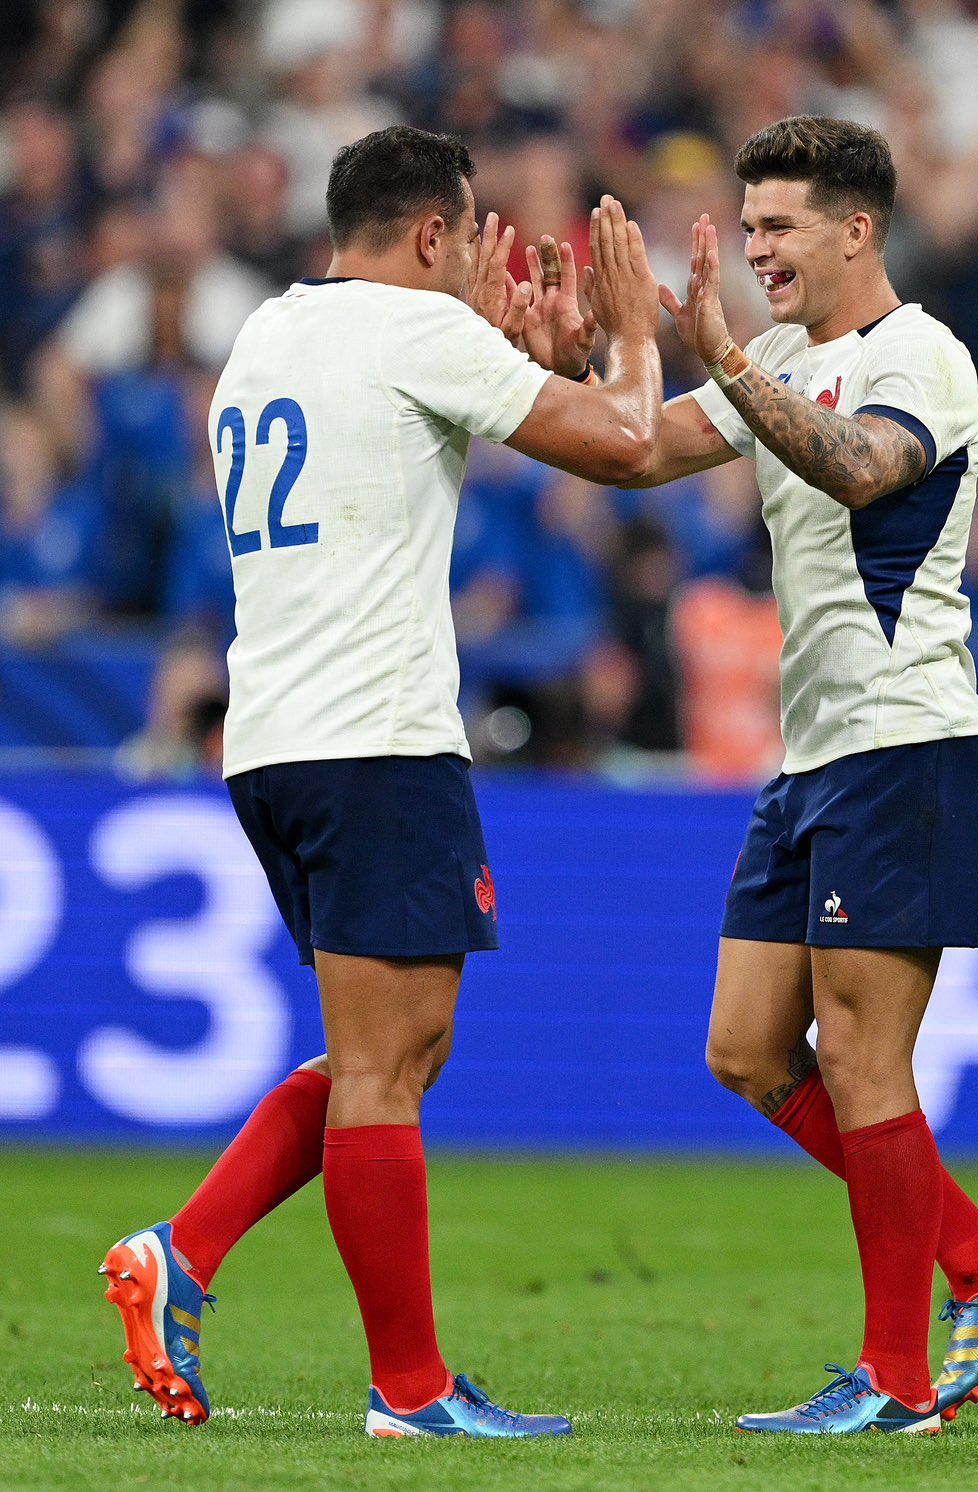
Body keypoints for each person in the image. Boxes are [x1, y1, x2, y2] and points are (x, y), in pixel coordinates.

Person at [100, 124, 668, 1439]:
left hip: (279, 738)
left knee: (396, 1051)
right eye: (470, 241)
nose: (480, 264)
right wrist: (630, 333)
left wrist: (525, 356)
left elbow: (402, 437)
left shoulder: (270, 336)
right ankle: (407, 1390)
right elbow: (630, 446)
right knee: (383, 1070)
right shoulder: (415, 331)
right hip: (377, 739)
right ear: (430, 236)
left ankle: (180, 1255)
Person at [622, 115, 978, 1435]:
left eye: (778, 227)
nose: (755, 249)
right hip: (810, 757)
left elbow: (865, 468)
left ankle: (898, 1382)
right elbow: (640, 447)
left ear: (856, 229)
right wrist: (526, 361)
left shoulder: (916, 354)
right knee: (749, 1050)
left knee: (867, 1059)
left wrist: (731, 368)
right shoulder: (769, 357)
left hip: (905, 743)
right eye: (746, 227)